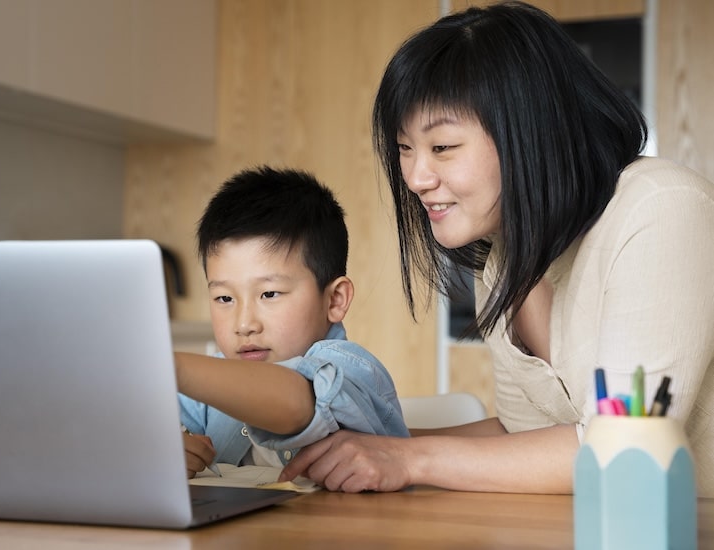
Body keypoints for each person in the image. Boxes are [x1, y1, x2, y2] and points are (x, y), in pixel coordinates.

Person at [279, 1, 714, 496]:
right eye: (404, 148)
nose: (417, 178)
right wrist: (371, 447)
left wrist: (409, 457)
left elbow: (624, 450)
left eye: (442, 147)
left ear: (531, 132)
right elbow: (529, 439)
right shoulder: (503, 262)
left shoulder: (660, 208)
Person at [176, 166, 410, 478]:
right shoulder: (204, 387)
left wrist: (170, 366)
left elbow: (298, 400)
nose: (244, 324)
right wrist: (163, 451)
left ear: (335, 300)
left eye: (269, 294)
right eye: (224, 299)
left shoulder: (354, 370)